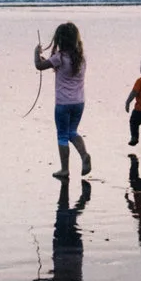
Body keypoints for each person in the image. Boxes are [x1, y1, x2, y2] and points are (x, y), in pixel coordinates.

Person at [34, 22, 91, 179]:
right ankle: (84, 154)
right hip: (79, 102)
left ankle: (65, 169)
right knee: (72, 131)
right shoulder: (81, 58)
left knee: (62, 136)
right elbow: (62, 67)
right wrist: (50, 61)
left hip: (63, 104)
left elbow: (39, 65)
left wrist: (36, 53)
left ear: (60, 40)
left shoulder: (59, 57)